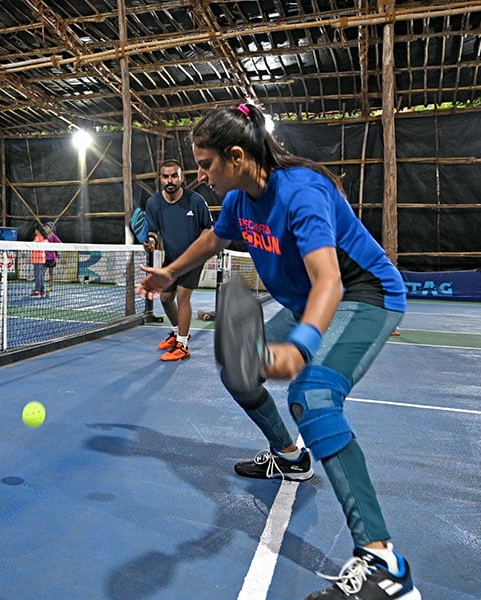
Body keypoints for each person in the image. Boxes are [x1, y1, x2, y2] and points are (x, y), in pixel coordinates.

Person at [137, 104, 417, 600]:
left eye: (206, 165)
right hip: (312, 297)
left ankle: (385, 565)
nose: (200, 176)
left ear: (238, 156)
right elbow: (212, 239)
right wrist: (171, 271)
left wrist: (302, 347)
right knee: (240, 373)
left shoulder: (301, 193)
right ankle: (291, 458)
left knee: (314, 395)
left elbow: (329, 279)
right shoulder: (240, 200)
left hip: (364, 294)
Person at [143, 159, 213, 362]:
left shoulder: (196, 201)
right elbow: (153, 231)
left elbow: (207, 228)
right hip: (172, 258)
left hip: (193, 257)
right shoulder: (154, 203)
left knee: (183, 295)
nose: (170, 180)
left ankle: (182, 346)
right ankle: (178, 333)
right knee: (165, 298)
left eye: (174, 175)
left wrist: (197, 250)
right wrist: (151, 242)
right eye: (166, 176)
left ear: (181, 177)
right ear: (160, 179)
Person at [43, 221, 62, 294]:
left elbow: (60, 244)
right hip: (44, 257)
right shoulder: (45, 236)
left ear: (51, 229)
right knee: (42, 272)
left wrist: (54, 251)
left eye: (47, 228)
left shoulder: (54, 236)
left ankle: (50, 288)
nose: (45, 229)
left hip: (51, 258)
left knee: (51, 273)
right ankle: (42, 288)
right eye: (45, 228)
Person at [30, 225, 47, 297]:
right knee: (41, 276)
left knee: (37, 276)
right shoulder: (44, 239)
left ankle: (37, 291)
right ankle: (42, 291)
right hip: (42, 259)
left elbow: (34, 243)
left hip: (37, 260)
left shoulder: (37, 237)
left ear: (37, 231)